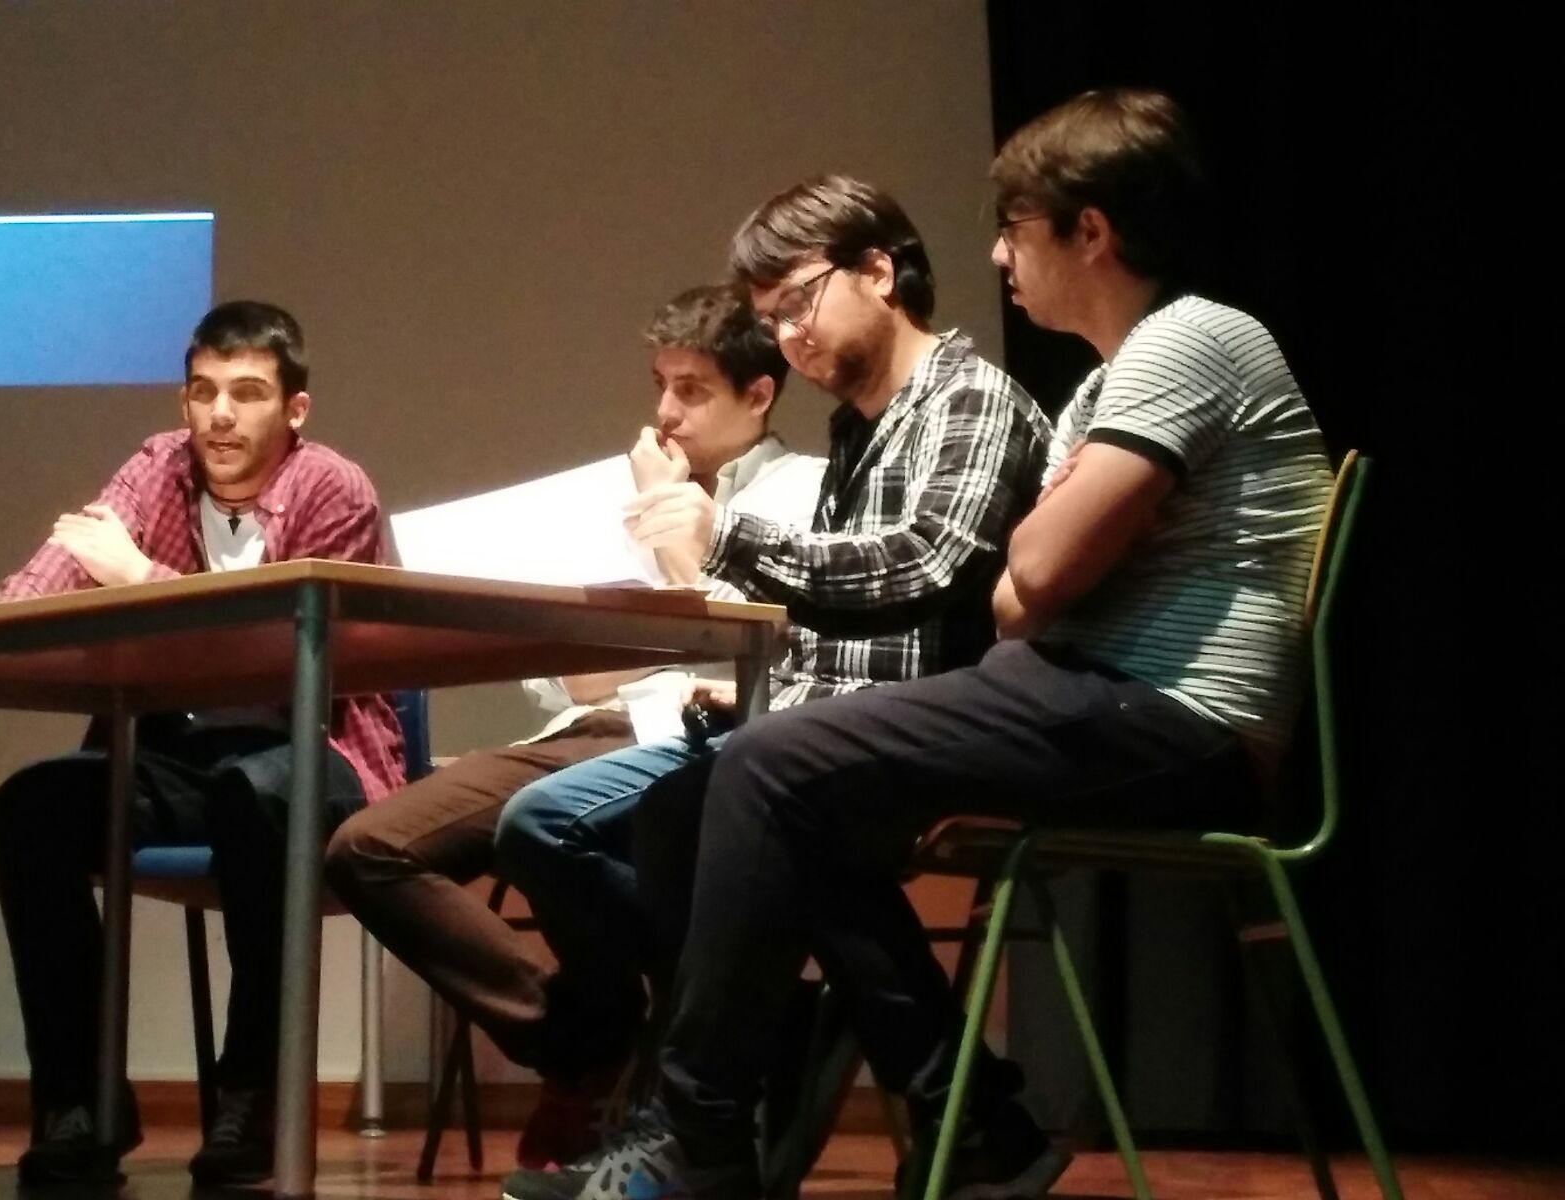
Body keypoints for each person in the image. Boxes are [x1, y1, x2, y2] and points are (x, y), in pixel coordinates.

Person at [501, 88, 1334, 1200]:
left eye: (1015, 228)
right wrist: (1047, 553)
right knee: (771, 799)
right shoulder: (1106, 381)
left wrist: (729, 539)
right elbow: (1021, 596)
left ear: (1090, 230)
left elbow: (1022, 575)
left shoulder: (1190, 340)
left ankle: (701, 1143)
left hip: (1174, 716)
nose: (996, 253)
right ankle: (975, 1129)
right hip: (1102, 691)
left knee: (769, 769)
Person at [490, 175, 1047, 1163]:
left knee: (759, 796)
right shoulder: (860, 427)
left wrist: (723, 537)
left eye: (798, 303)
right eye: (772, 319)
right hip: (847, 729)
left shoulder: (970, 398)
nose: (788, 338)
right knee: (689, 806)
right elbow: (834, 624)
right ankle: (933, 1117)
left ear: (879, 272)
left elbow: (925, 567)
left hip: (949, 727)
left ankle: (704, 1127)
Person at [324, 283, 825, 1169]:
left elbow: (772, 655)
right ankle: (588, 1044)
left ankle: (658, 1053)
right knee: (368, 848)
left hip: (698, 733)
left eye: (693, 391)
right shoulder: (618, 494)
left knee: (548, 833)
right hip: (581, 728)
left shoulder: (806, 493)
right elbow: (565, 675)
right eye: (660, 386)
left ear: (758, 395)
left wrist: (677, 554)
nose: (666, 414)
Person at [0, 300, 404, 1186]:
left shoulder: (334, 489)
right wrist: (39, 600)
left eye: (246, 393)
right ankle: (82, 1103)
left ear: (294, 409)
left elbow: (290, 656)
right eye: (204, 392)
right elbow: (39, 590)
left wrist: (138, 577)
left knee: (255, 795)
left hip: (315, 748)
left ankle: (251, 1095)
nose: (219, 415)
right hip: (178, 754)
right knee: (31, 809)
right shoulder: (157, 468)